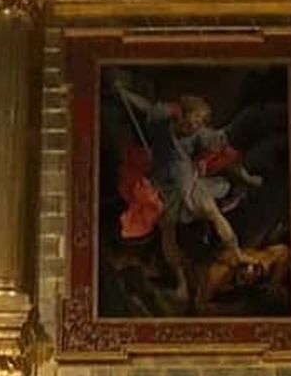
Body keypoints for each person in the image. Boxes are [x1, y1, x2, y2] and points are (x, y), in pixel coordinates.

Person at [113, 79, 264, 306]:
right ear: (181, 115)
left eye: (199, 124)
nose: (194, 127)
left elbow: (220, 142)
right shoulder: (161, 123)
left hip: (190, 186)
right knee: (168, 231)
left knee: (213, 214)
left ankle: (237, 253)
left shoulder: (200, 135)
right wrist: (122, 92)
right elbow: (142, 107)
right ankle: (181, 284)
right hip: (164, 188)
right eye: (192, 122)